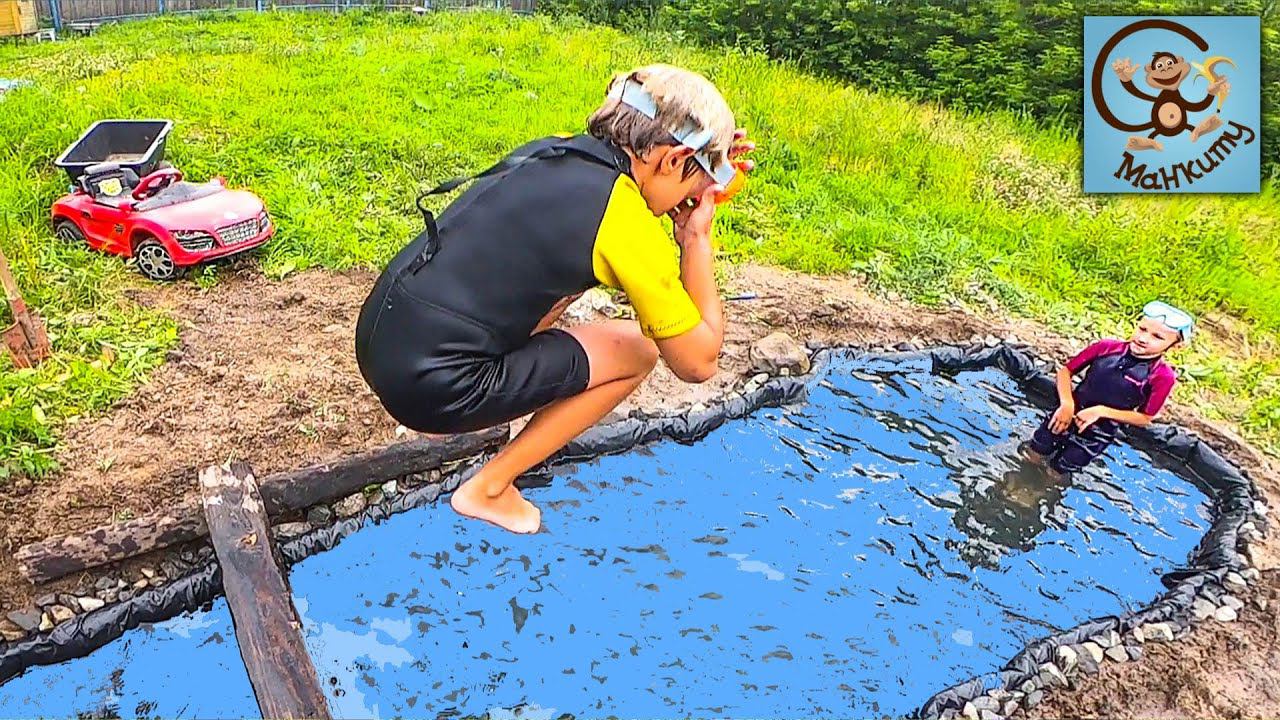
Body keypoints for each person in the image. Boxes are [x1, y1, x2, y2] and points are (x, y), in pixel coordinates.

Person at [354, 64, 755, 534]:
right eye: (694, 185)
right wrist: (695, 239)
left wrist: (704, 166)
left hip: (382, 339)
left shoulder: (557, 150)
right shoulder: (624, 220)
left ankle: (491, 417)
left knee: (548, 288)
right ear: (672, 160)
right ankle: (488, 489)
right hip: (431, 388)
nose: (692, 199)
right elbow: (697, 362)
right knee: (638, 350)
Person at [1025, 301, 1192, 475]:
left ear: (1176, 346)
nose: (1143, 339)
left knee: (1057, 473)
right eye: (1142, 329)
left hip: (1097, 434)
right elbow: (1066, 371)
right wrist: (1067, 404)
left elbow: (1145, 417)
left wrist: (1100, 411)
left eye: (1157, 337)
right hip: (1064, 414)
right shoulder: (1106, 348)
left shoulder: (1162, 377)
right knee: (1033, 452)